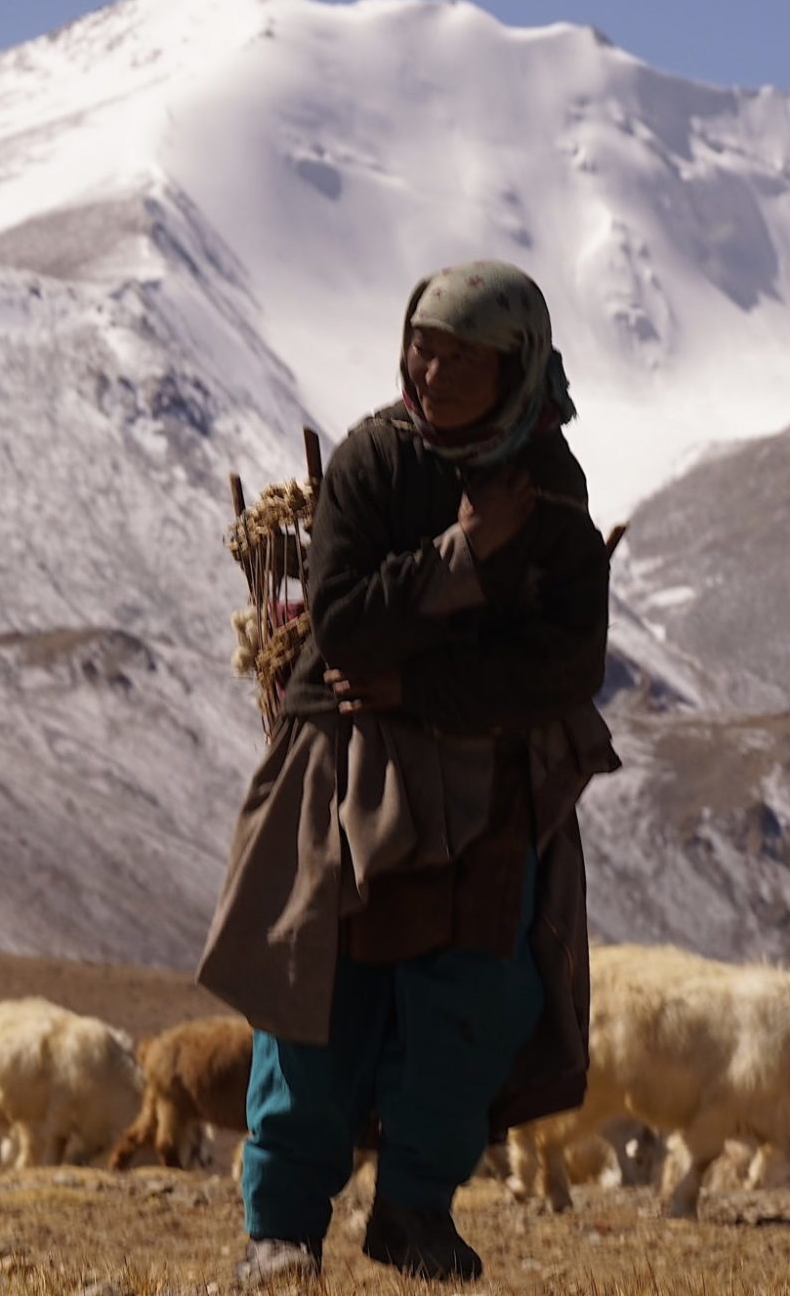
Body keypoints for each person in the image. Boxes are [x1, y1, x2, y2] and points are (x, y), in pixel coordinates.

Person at [197, 259, 621, 1284]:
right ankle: (282, 1230)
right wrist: (462, 559)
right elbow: (342, 627)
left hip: (487, 786)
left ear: (514, 367)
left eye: (461, 356)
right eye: (421, 344)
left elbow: (565, 663)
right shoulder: (376, 461)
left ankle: (414, 1214)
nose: (429, 369)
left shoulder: (550, 483)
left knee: (467, 1000)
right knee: (317, 992)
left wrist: (421, 685)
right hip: (342, 769)